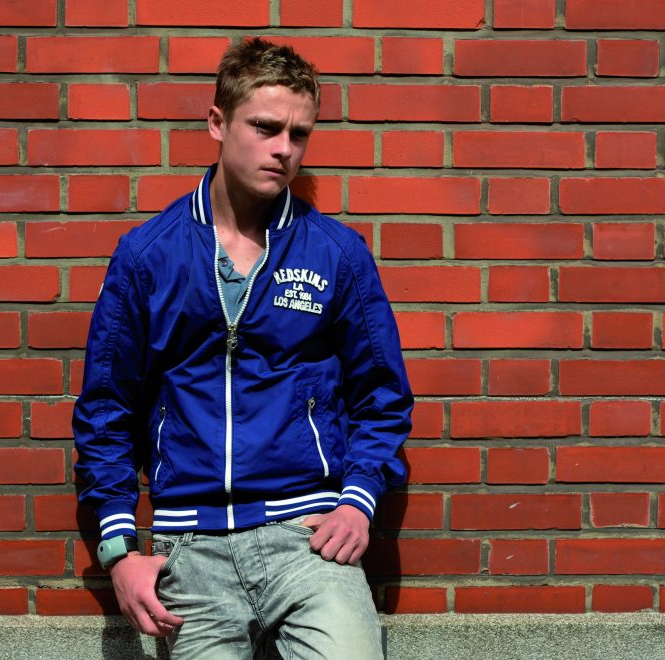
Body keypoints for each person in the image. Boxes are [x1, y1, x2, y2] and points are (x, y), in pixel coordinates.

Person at [73, 38, 413, 659]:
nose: (284, 148)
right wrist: (120, 551)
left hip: (308, 540)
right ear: (217, 123)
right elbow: (106, 410)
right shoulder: (149, 256)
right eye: (265, 127)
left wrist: (359, 502)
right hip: (191, 549)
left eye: (299, 134)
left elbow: (382, 396)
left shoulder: (336, 254)